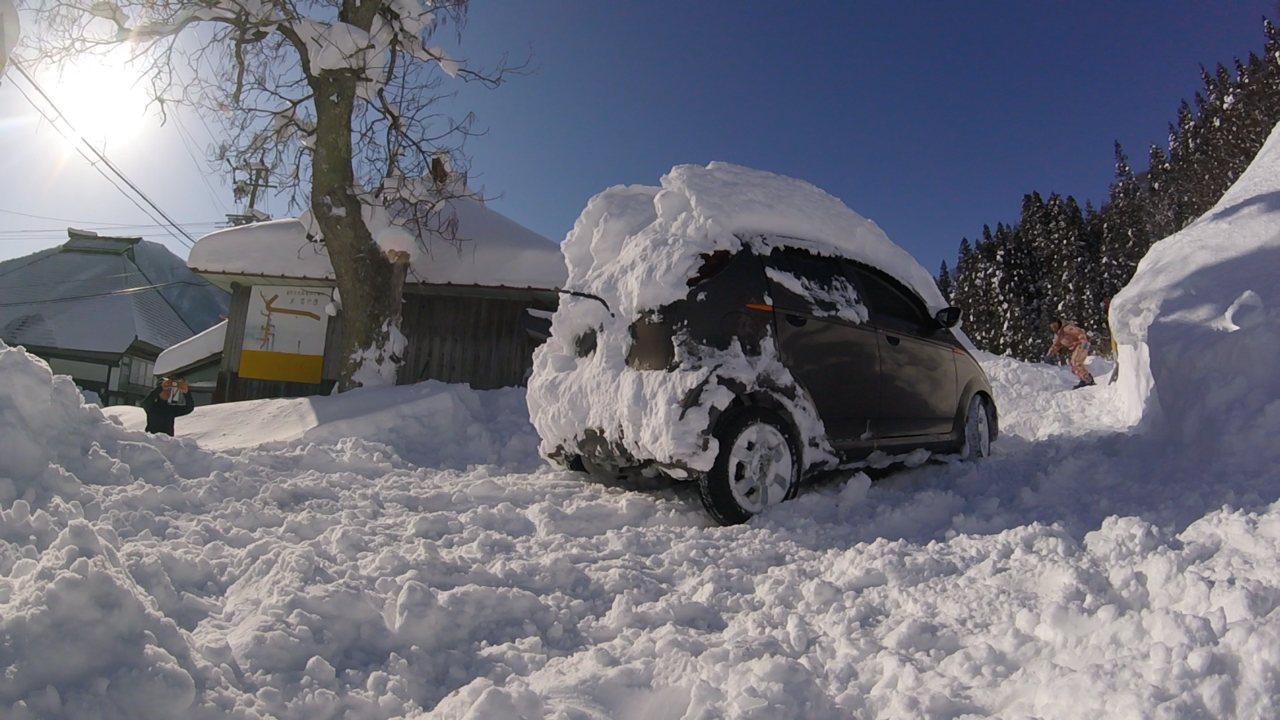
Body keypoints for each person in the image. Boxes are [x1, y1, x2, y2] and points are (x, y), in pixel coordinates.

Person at [1045, 318, 1096, 389]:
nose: (1054, 328)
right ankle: (1084, 378)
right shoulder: (1058, 335)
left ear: (1058, 323)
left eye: (1055, 325)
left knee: (1076, 362)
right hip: (1077, 348)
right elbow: (1056, 346)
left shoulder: (1067, 328)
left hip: (1081, 344)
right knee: (1074, 364)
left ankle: (1087, 380)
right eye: (1052, 327)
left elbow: (1079, 332)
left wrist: (1084, 341)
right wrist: (1049, 354)